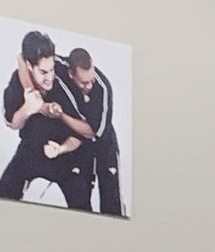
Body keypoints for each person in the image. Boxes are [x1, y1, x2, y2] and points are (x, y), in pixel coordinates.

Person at [1, 31, 91, 209]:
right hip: (31, 150)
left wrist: (61, 149)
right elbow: (12, 123)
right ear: (29, 66)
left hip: (67, 156)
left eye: (51, 70)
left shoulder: (65, 83)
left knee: (83, 206)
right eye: (43, 71)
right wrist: (27, 109)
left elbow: (82, 135)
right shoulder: (16, 81)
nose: (49, 77)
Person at [58, 47, 124, 216]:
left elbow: (92, 132)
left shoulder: (103, 89)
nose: (89, 86)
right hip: (79, 146)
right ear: (71, 74)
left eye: (91, 79)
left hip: (104, 144)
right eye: (83, 83)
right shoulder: (59, 66)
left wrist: (62, 116)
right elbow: (26, 57)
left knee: (112, 202)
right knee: (80, 200)